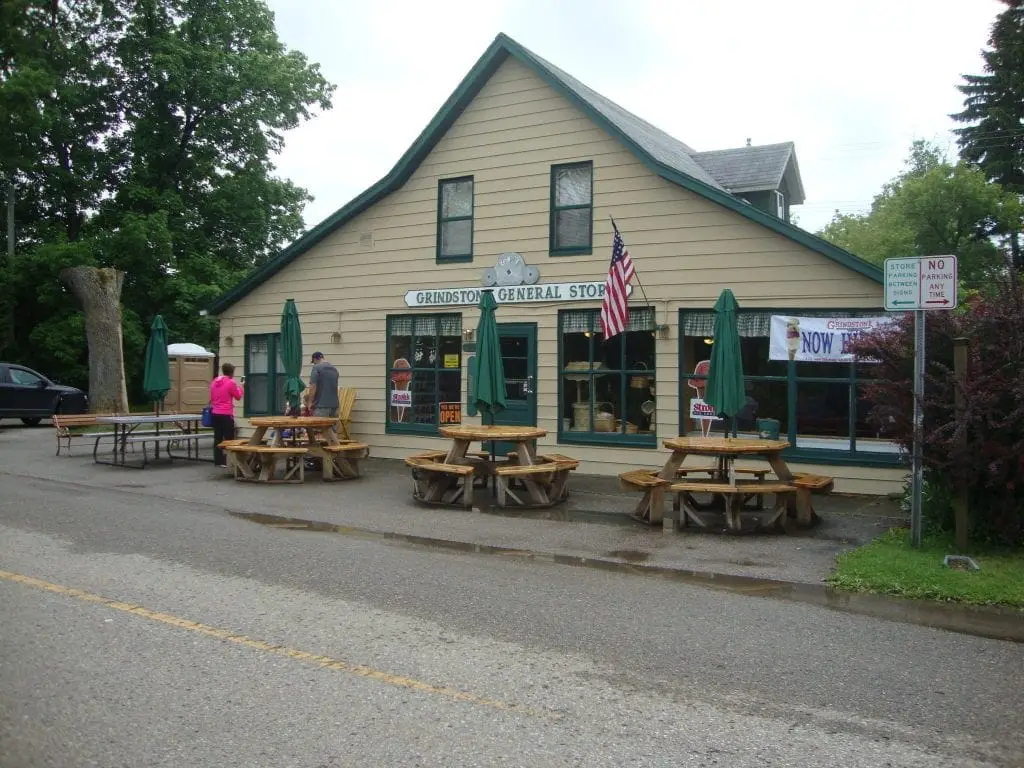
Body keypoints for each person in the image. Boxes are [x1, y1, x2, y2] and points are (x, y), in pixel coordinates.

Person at [210, 363, 244, 467]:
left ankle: (218, 461)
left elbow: (212, 397)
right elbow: (238, 396)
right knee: (229, 438)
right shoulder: (231, 383)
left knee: (218, 438)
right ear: (231, 372)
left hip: (215, 413)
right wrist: (242, 386)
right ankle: (230, 461)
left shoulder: (214, 382)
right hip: (226, 414)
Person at [305, 351, 340, 438]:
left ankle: (318, 452)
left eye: (313, 362)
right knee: (332, 432)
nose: (313, 364)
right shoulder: (334, 370)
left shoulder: (317, 368)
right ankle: (334, 449)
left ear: (315, 359)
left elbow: (313, 386)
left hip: (321, 406)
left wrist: (310, 402)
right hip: (335, 406)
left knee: (317, 432)